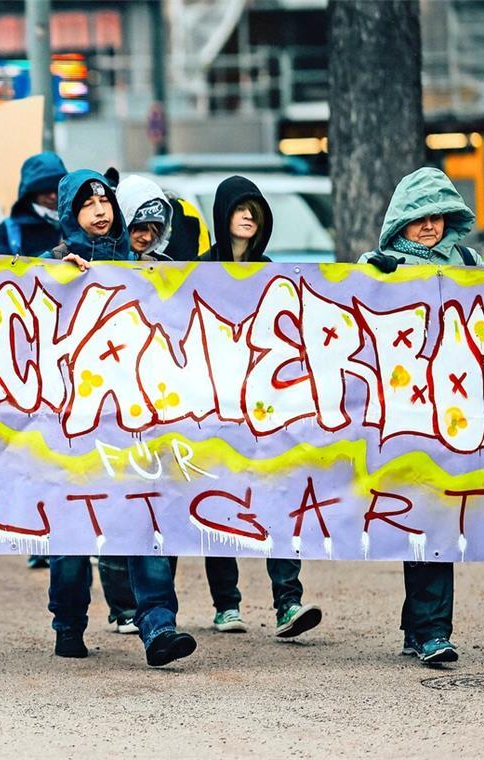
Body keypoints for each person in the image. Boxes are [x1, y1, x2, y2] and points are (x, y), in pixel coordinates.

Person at [41, 169, 196, 666]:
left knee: (144, 518)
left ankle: (158, 626)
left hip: (133, 420)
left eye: (105, 200)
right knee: (70, 535)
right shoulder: (48, 264)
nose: (100, 210)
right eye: (87, 204)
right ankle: (68, 623)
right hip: (71, 422)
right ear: (71, 213)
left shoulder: (143, 267)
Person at [361, 166, 481, 665]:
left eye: (436, 216)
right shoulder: (380, 264)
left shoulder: (470, 262)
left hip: (456, 411)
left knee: (438, 514)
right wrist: (372, 275)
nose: (429, 226)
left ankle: (426, 628)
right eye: (418, 218)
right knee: (419, 515)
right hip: (401, 411)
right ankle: (427, 628)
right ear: (399, 223)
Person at [197, 175, 324, 638]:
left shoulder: (274, 273)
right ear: (222, 214)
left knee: (278, 498)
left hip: (266, 408)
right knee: (217, 500)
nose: (249, 215)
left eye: (256, 207)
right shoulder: (197, 271)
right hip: (211, 405)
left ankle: (288, 603)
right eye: (239, 207)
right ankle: (225, 604)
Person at [0, 151, 67, 257]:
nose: (53, 196)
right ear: (31, 192)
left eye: (57, 190)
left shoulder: (77, 226)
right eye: (45, 189)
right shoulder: (8, 230)